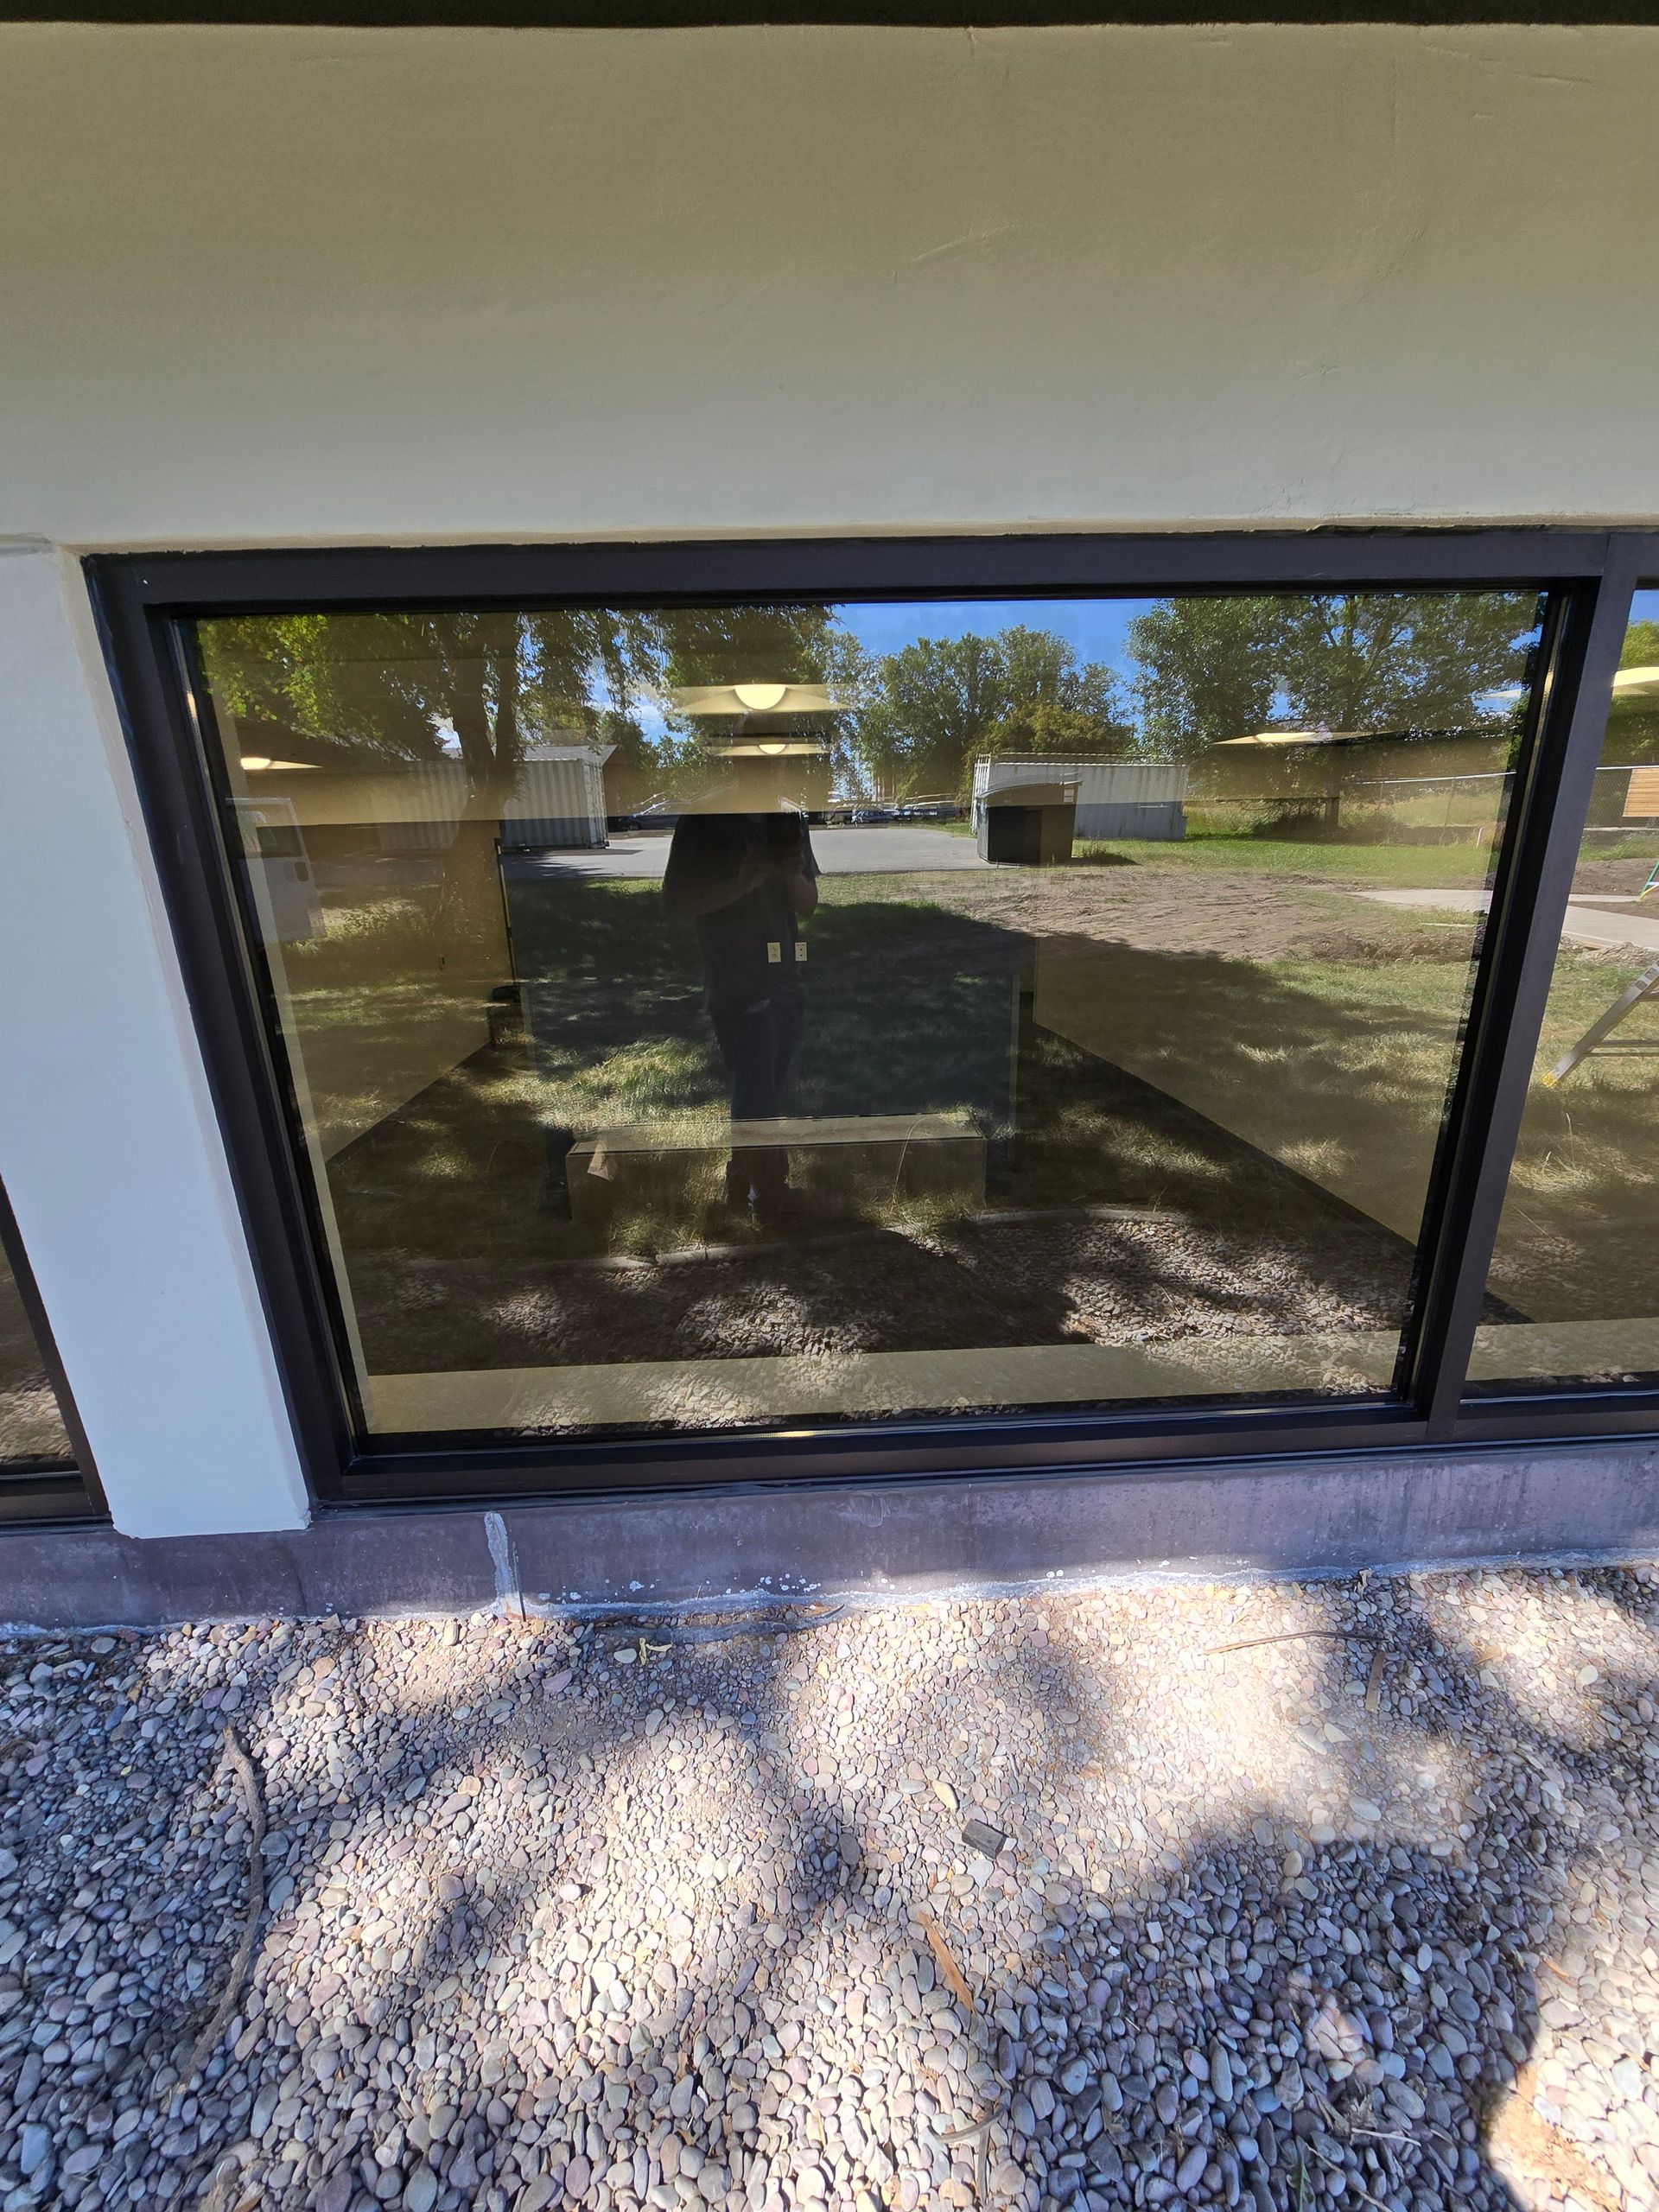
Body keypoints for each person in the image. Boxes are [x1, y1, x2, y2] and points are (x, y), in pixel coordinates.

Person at [664, 767, 818, 1223]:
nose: (770, 769)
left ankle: (740, 1177)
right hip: (735, 981)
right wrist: (745, 879)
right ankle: (768, 1196)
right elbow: (675, 901)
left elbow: (808, 904)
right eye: (756, 755)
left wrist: (788, 872)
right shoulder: (705, 820)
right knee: (756, 1089)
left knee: (766, 1087)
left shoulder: (789, 819)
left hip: (785, 977)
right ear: (732, 759)